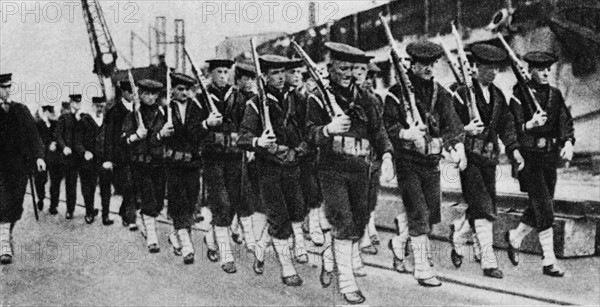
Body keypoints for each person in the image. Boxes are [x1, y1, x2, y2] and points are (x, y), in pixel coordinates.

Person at [305, 43, 395, 304]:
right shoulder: (317, 98)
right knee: (342, 221)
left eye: (352, 68)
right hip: (332, 169)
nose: (348, 74)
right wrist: (328, 129)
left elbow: (378, 132)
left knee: (358, 222)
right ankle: (347, 283)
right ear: (330, 68)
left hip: (362, 171)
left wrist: (387, 155)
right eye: (342, 68)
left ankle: (331, 257)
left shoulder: (367, 99)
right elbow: (309, 132)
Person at [383, 40, 465, 287]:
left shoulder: (441, 93)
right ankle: (421, 268)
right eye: (423, 64)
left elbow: (453, 125)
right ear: (412, 65)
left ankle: (399, 243)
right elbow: (387, 125)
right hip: (407, 162)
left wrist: (457, 145)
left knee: (430, 215)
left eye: (432, 64)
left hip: (431, 161)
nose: (429, 68)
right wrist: (404, 134)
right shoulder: (396, 93)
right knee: (418, 213)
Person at [450, 44, 523, 278]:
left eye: (496, 68)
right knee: (482, 206)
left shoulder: (498, 95)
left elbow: (507, 125)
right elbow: (447, 125)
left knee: (485, 204)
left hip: (489, 159)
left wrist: (514, 150)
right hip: (468, 158)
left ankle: (459, 236)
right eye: (488, 67)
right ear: (476, 67)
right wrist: (464, 130)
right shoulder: (461, 94)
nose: (493, 72)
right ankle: (488, 261)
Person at [238, 54, 308, 286]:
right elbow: (243, 137)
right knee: (279, 216)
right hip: (268, 168)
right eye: (274, 74)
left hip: (293, 164)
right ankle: (287, 268)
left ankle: (260, 247)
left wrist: (300, 148)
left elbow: (306, 128)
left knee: (297, 211)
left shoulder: (296, 99)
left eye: (282, 72)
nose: (280, 78)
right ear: (265, 76)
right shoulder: (255, 104)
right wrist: (260, 142)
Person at [506, 51, 574, 277]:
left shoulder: (555, 95)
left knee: (540, 207)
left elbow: (564, 120)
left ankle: (515, 237)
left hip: (548, 158)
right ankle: (549, 261)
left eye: (548, 69)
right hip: (528, 159)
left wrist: (568, 142)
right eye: (541, 69)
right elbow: (512, 128)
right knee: (545, 208)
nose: (546, 73)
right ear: (531, 70)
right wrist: (529, 123)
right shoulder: (519, 94)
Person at [159, 72, 208, 264]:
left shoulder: (197, 109)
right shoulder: (165, 110)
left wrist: (205, 125)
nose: (185, 93)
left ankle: (177, 235)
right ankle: (187, 244)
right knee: (178, 199)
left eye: (188, 89)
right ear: (172, 90)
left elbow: (200, 132)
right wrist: (162, 133)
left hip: (193, 163)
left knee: (191, 200)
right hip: (173, 163)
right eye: (180, 89)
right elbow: (155, 133)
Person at [0, 73, 46, 265]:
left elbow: (33, 135)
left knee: (16, 204)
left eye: (9, 86)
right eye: (3, 87)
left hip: (19, 167)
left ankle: (5, 233)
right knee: (3, 202)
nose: (7, 90)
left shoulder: (21, 110)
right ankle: (4, 244)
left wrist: (39, 157)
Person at [122, 79, 165, 253]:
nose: (150, 97)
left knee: (159, 201)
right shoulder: (133, 114)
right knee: (149, 199)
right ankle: (152, 238)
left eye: (153, 94)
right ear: (140, 94)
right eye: (146, 93)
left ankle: (146, 219)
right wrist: (135, 136)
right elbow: (123, 139)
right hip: (141, 163)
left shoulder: (162, 113)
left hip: (159, 162)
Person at [353, 61, 386, 255]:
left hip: (372, 154)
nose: (368, 80)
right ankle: (362, 237)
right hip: (354, 153)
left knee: (370, 195)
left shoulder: (375, 100)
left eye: (370, 76)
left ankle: (367, 230)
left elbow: (379, 128)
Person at [102, 80, 137, 230]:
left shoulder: (138, 109)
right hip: (121, 155)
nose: (132, 95)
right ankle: (129, 218)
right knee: (128, 185)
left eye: (134, 92)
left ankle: (124, 210)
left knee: (135, 186)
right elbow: (108, 137)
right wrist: (109, 158)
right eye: (130, 92)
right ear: (123, 92)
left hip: (136, 154)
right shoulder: (114, 112)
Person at [78, 96, 113, 225]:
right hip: (88, 161)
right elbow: (77, 141)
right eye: (98, 106)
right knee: (88, 188)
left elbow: (109, 142)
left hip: (103, 161)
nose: (100, 109)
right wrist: (84, 152)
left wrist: (109, 159)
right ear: (93, 106)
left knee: (106, 189)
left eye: (103, 107)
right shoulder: (84, 121)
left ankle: (106, 216)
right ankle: (89, 212)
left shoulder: (106, 122)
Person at [54, 94, 83, 219]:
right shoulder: (64, 118)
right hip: (69, 157)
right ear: (71, 103)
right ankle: (70, 210)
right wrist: (64, 147)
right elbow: (58, 135)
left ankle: (89, 209)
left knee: (85, 183)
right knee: (71, 184)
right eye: (75, 103)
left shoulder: (82, 118)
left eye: (79, 103)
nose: (78, 105)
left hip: (81, 156)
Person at [34, 103, 58, 211]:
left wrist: (55, 143)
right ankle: (41, 198)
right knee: (41, 180)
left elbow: (58, 136)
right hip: (43, 157)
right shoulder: (38, 124)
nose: (52, 114)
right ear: (45, 112)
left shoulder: (55, 124)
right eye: (50, 112)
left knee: (55, 181)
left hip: (53, 157)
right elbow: (36, 140)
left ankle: (53, 205)